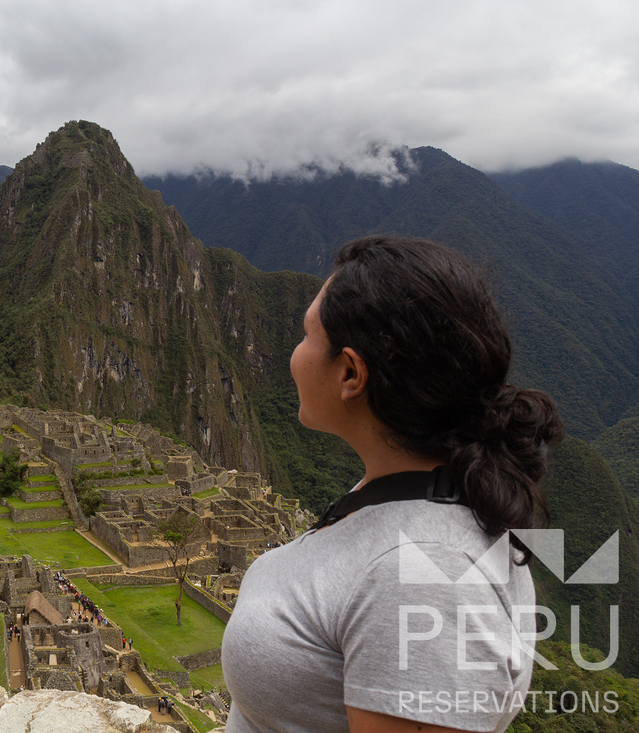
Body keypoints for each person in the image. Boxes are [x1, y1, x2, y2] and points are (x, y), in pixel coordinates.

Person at [221, 236, 563, 733]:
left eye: (304, 335)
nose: (293, 353)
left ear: (351, 372)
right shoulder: (403, 496)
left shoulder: (428, 575)